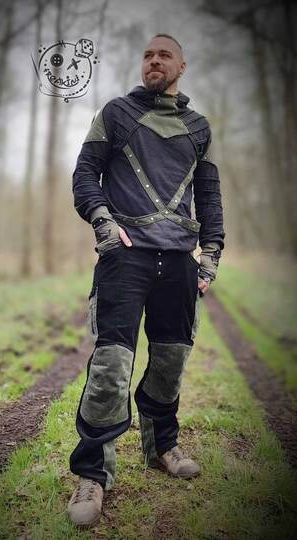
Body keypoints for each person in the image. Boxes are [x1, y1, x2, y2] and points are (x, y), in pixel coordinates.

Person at [68, 33, 225, 527]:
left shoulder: (199, 128)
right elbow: (85, 174)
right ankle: (93, 474)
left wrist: (211, 253)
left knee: (170, 362)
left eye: (164, 55)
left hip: (179, 262)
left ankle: (162, 447)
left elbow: (209, 195)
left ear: (182, 65)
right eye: (147, 55)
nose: (153, 61)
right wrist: (102, 222)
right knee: (111, 367)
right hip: (125, 257)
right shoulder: (116, 113)